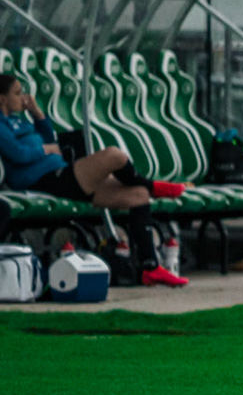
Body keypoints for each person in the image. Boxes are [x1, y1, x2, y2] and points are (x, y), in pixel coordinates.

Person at [0, 73, 189, 287]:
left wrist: (37, 113)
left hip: (61, 174)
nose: (23, 97)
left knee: (138, 196)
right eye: (17, 93)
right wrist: (46, 149)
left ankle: (150, 268)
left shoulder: (19, 120)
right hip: (42, 180)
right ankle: (152, 185)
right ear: (2, 99)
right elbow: (19, 154)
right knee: (113, 156)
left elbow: (51, 139)